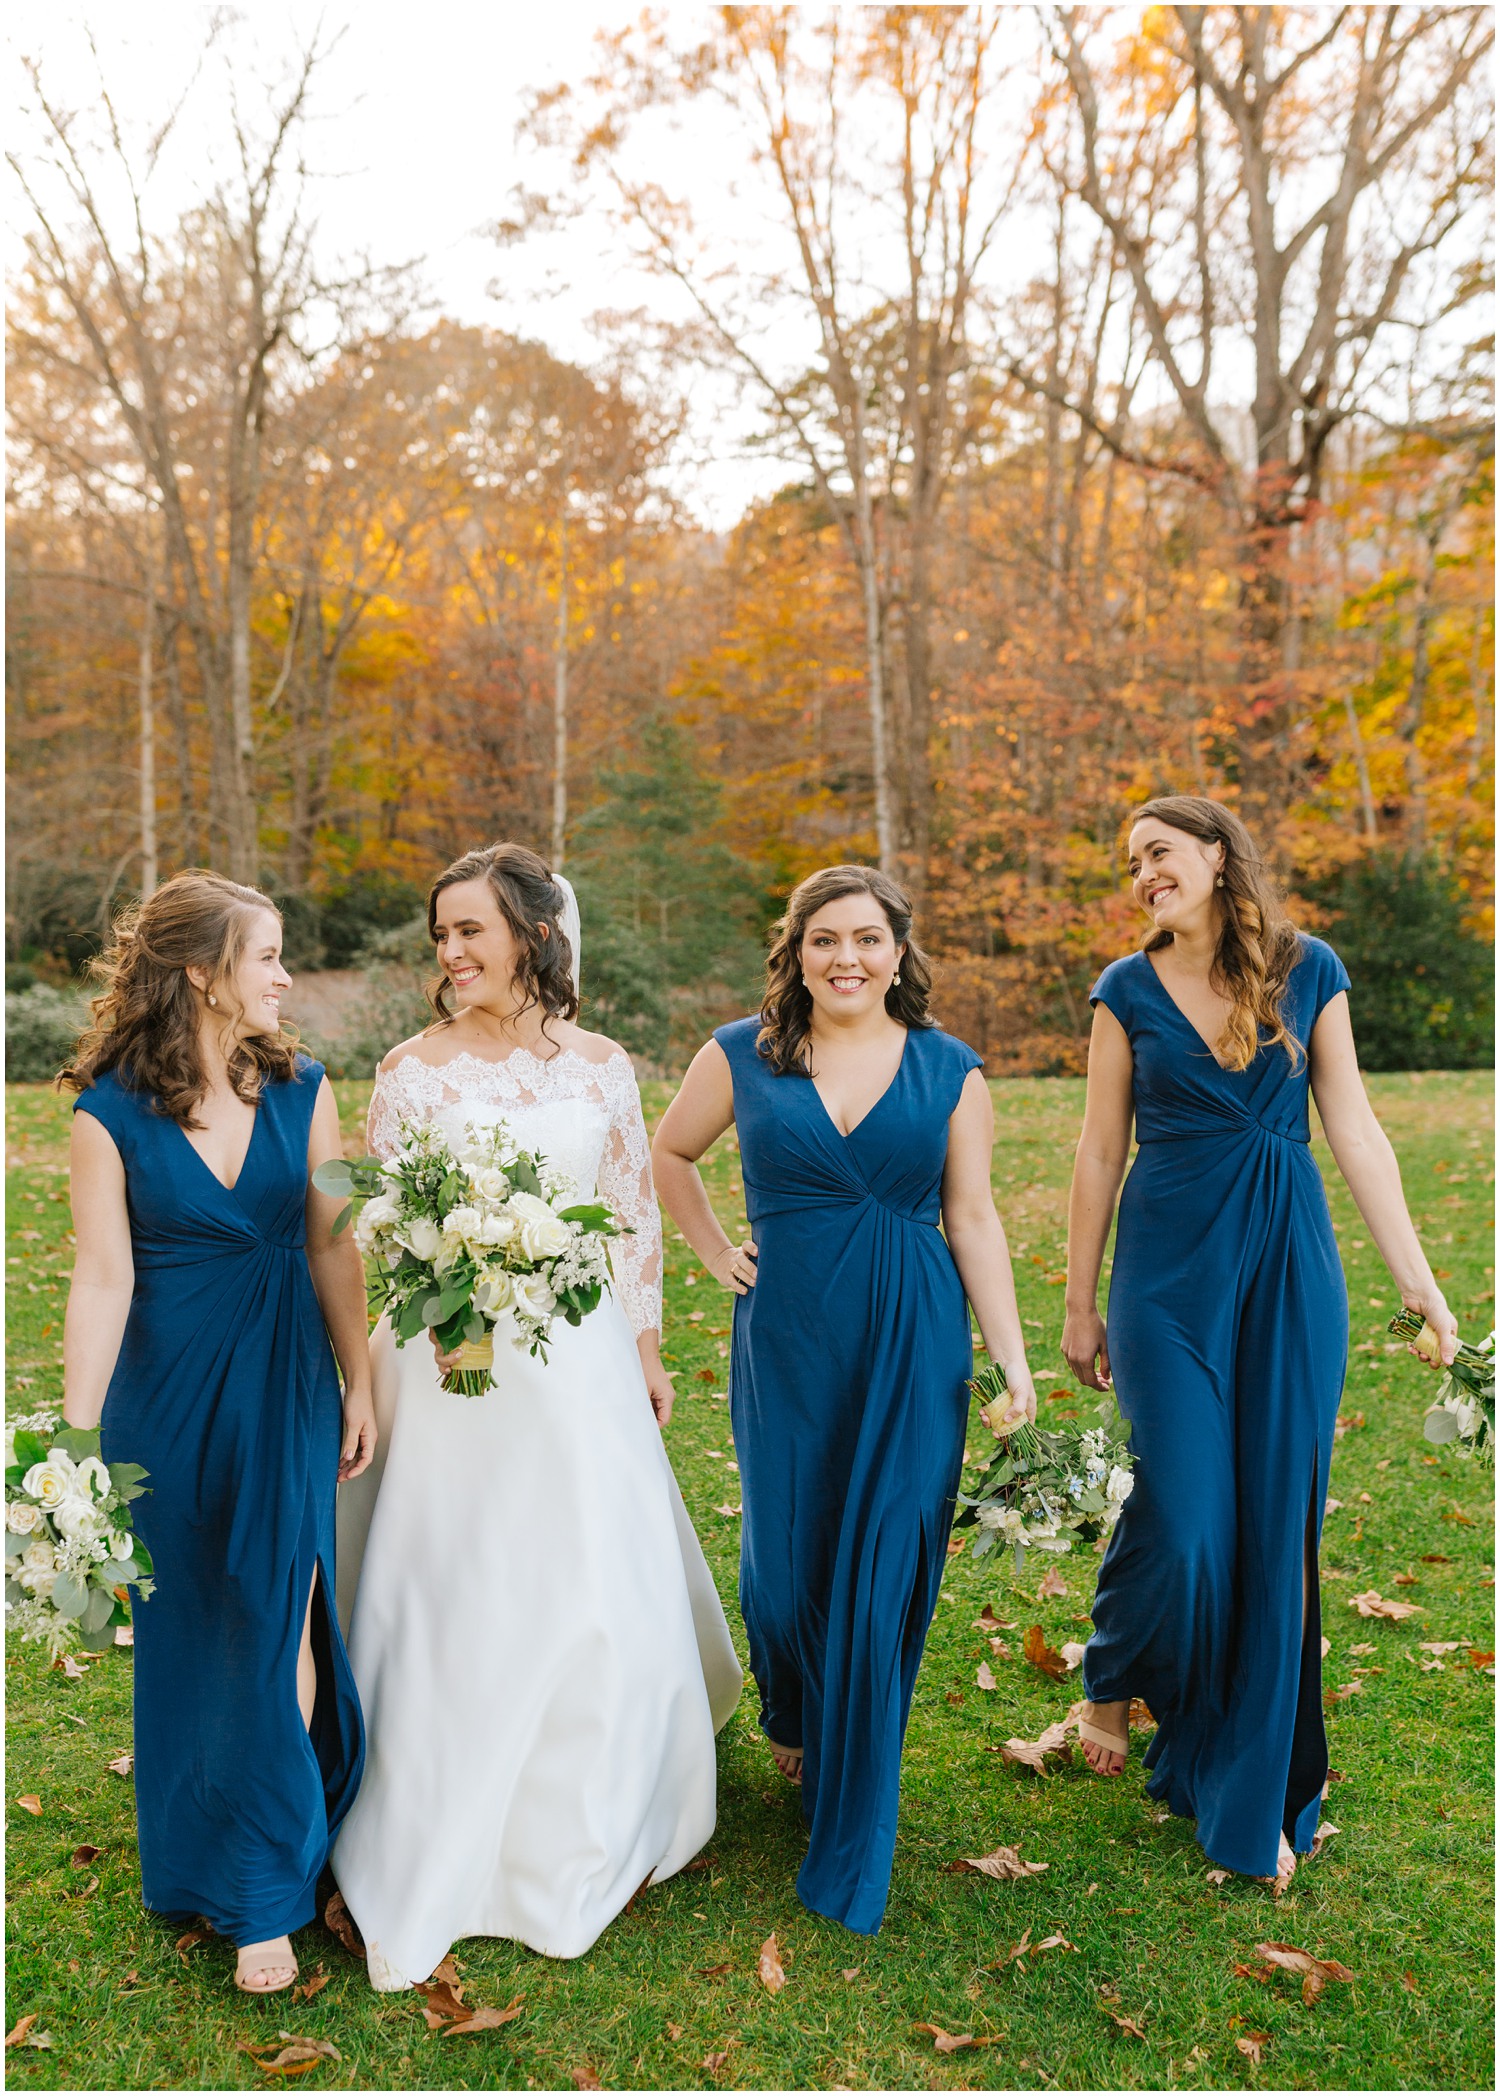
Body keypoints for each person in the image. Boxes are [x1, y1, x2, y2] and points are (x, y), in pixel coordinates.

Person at [331, 842, 741, 1989]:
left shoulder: (605, 1066)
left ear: (533, 934)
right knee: (464, 1574)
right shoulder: (412, 1072)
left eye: (471, 930)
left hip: (579, 1359)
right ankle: (432, 1800)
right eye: (442, 936)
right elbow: (383, 1221)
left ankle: (590, 1806)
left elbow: (625, 1220)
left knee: (590, 1573)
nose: (452, 953)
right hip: (452, 1354)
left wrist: (647, 1352)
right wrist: (445, 1303)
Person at [1063, 794, 1458, 1887]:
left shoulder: (1308, 967)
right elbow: (1099, 1152)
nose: (1144, 871)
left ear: (1218, 853)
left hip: (1289, 1266)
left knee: (1273, 1527)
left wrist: (1422, 1285)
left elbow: (1357, 1128)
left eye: (1159, 850)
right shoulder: (1125, 989)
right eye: (1131, 859)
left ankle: (1252, 1790)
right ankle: (1120, 1668)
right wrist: (1078, 1302)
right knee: (1185, 1514)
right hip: (1165, 1277)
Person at [652, 864, 1037, 1936]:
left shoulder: (953, 1071)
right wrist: (713, 1246)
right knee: (784, 1564)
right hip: (790, 1333)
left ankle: (855, 1798)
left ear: (899, 952)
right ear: (797, 952)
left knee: (889, 1555)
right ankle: (795, 1704)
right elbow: (669, 1151)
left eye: (868, 938)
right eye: (826, 940)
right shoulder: (741, 1054)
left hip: (914, 1334)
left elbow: (974, 1218)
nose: (847, 958)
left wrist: (1011, 1360)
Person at [60, 871, 373, 1994]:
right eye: (267, 955)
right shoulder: (106, 1111)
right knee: (194, 1624)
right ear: (202, 971)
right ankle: (210, 1849)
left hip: (285, 1379)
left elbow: (335, 1247)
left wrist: (361, 1377)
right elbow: (102, 1279)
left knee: (276, 1610)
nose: (286, 976)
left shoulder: (311, 1089)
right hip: (169, 1398)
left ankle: (264, 1892)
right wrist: (78, 1438)